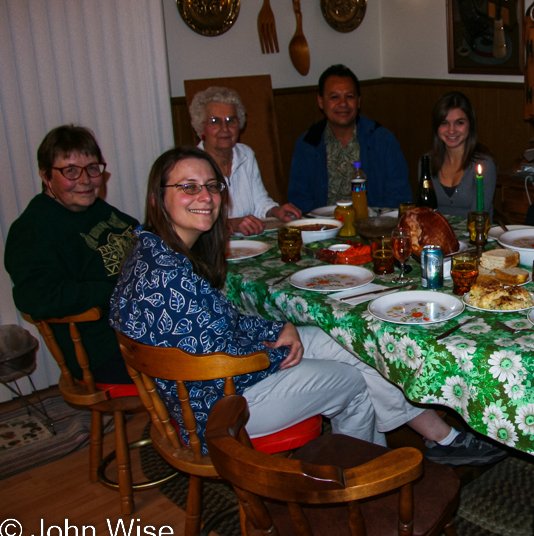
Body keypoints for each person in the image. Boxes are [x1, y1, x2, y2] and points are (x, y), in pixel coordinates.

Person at [111, 147, 505, 465]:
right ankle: (362, 478)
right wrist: (271, 352)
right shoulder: (169, 274)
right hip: (217, 407)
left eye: (212, 186)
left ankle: (433, 434)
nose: (205, 197)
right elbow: (217, 360)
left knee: (343, 342)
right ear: (157, 196)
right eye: (188, 187)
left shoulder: (154, 248)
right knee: (351, 383)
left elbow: (217, 325)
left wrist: (274, 330)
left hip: (211, 382)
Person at [5, 125, 136, 384]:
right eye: (71, 171)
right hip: (103, 348)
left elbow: (139, 233)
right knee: (201, 352)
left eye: (92, 168)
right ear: (46, 175)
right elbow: (37, 296)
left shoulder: (94, 208)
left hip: (136, 327)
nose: (86, 180)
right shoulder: (33, 229)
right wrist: (117, 289)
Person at [288, 64, 412, 212]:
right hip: (322, 228)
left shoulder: (382, 140)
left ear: (358, 101)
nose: (343, 103)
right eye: (334, 97)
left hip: (373, 228)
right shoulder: (308, 143)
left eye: (350, 96)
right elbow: (298, 201)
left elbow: (399, 197)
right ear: (321, 102)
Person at [190, 86, 302, 237]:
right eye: (215, 121)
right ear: (201, 127)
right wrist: (231, 223)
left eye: (231, 120)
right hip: (213, 249)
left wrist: (275, 210)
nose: (225, 128)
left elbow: (260, 202)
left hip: (250, 245)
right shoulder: (191, 165)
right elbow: (192, 220)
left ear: (240, 125)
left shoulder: (246, 154)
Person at [423, 91, 496, 218]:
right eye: (444, 123)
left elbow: (478, 216)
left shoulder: (484, 164)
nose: (451, 130)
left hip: (473, 236)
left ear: (470, 124)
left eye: (459, 123)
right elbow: (424, 213)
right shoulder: (426, 163)